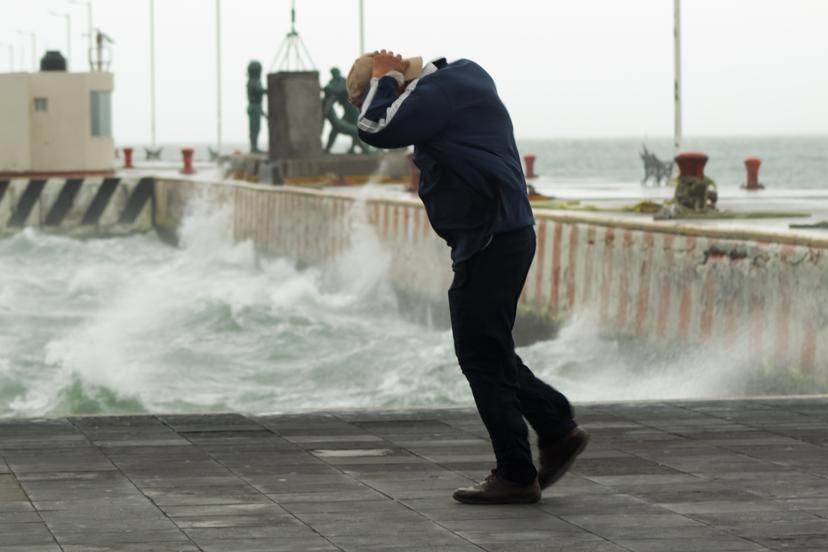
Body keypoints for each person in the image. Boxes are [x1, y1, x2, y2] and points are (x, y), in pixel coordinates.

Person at [347, 51, 589, 505]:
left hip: (491, 240)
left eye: (377, 97)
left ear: (395, 89)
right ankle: (556, 426)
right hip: (503, 234)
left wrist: (383, 79)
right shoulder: (458, 82)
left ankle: (518, 472)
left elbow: (375, 129)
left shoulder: (435, 94)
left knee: (479, 356)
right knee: (489, 349)